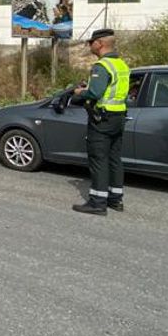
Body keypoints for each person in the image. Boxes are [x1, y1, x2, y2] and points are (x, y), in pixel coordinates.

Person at [71, 28, 130, 215]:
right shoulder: (121, 65)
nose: (90, 45)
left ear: (100, 44)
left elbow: (95, 93)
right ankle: (115, 199)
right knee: (114, 158)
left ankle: (97, 202)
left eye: (91, 42)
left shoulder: (102, 66)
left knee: (98, 160)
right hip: (119, 117)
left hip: (102, 119)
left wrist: (80, 93)